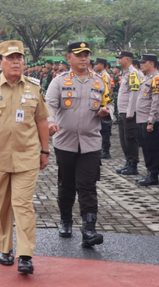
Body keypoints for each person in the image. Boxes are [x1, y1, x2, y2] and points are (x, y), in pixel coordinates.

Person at [0, 40, 49, 275]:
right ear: (0, 62)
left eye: (19, 58)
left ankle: (25, 254)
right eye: (10, 58)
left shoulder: (34, 87)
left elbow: (42, 120)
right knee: (2, 205)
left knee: (23, 205)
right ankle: (5, 248)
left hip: (27, 155)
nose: (16, 62)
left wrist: (45, 151)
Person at [46, 42, 112, 247]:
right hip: (65, 142)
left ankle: (89, 229)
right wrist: (49, 122)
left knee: (87, 185)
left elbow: (109, 105)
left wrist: (106, 112)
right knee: (67, 184)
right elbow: (49, 105)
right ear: (69, 58)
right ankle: (65, 220)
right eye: (79, 55)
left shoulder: (100, 81)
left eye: (86, 55)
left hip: (91, 142)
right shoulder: (59, 81)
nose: (84, 58)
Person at [135, 54, 159, 186]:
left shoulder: (157, 79)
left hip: (150, 121)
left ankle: (153, 175)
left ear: (151, 64)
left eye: (144, 62)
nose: (141, 65)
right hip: (142, 119)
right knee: (146, 149)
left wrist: (151, 121)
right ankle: (149, 173)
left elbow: (156, 102)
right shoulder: (147, 78)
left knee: (152, 149)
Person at [115, 51, 141, 175]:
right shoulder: (125, 73)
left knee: (130, 139)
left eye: (120, 58)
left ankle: (133, 164)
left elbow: (134, 93)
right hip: (122, 111)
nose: (118, 60)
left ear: (127, 59)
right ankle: (128, 162)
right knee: (123, 138)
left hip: (129, 112)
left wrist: (130, 112)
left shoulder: (133, 73)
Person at [93, 57, 113, 159]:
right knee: (101, 129)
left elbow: (106, 91)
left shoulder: (105, 76)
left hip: (104, 104)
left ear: (102, 65)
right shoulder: (101, 75)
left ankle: (106, 151)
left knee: (105, 129)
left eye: (97, 64)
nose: (95, 66)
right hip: (101, 103)